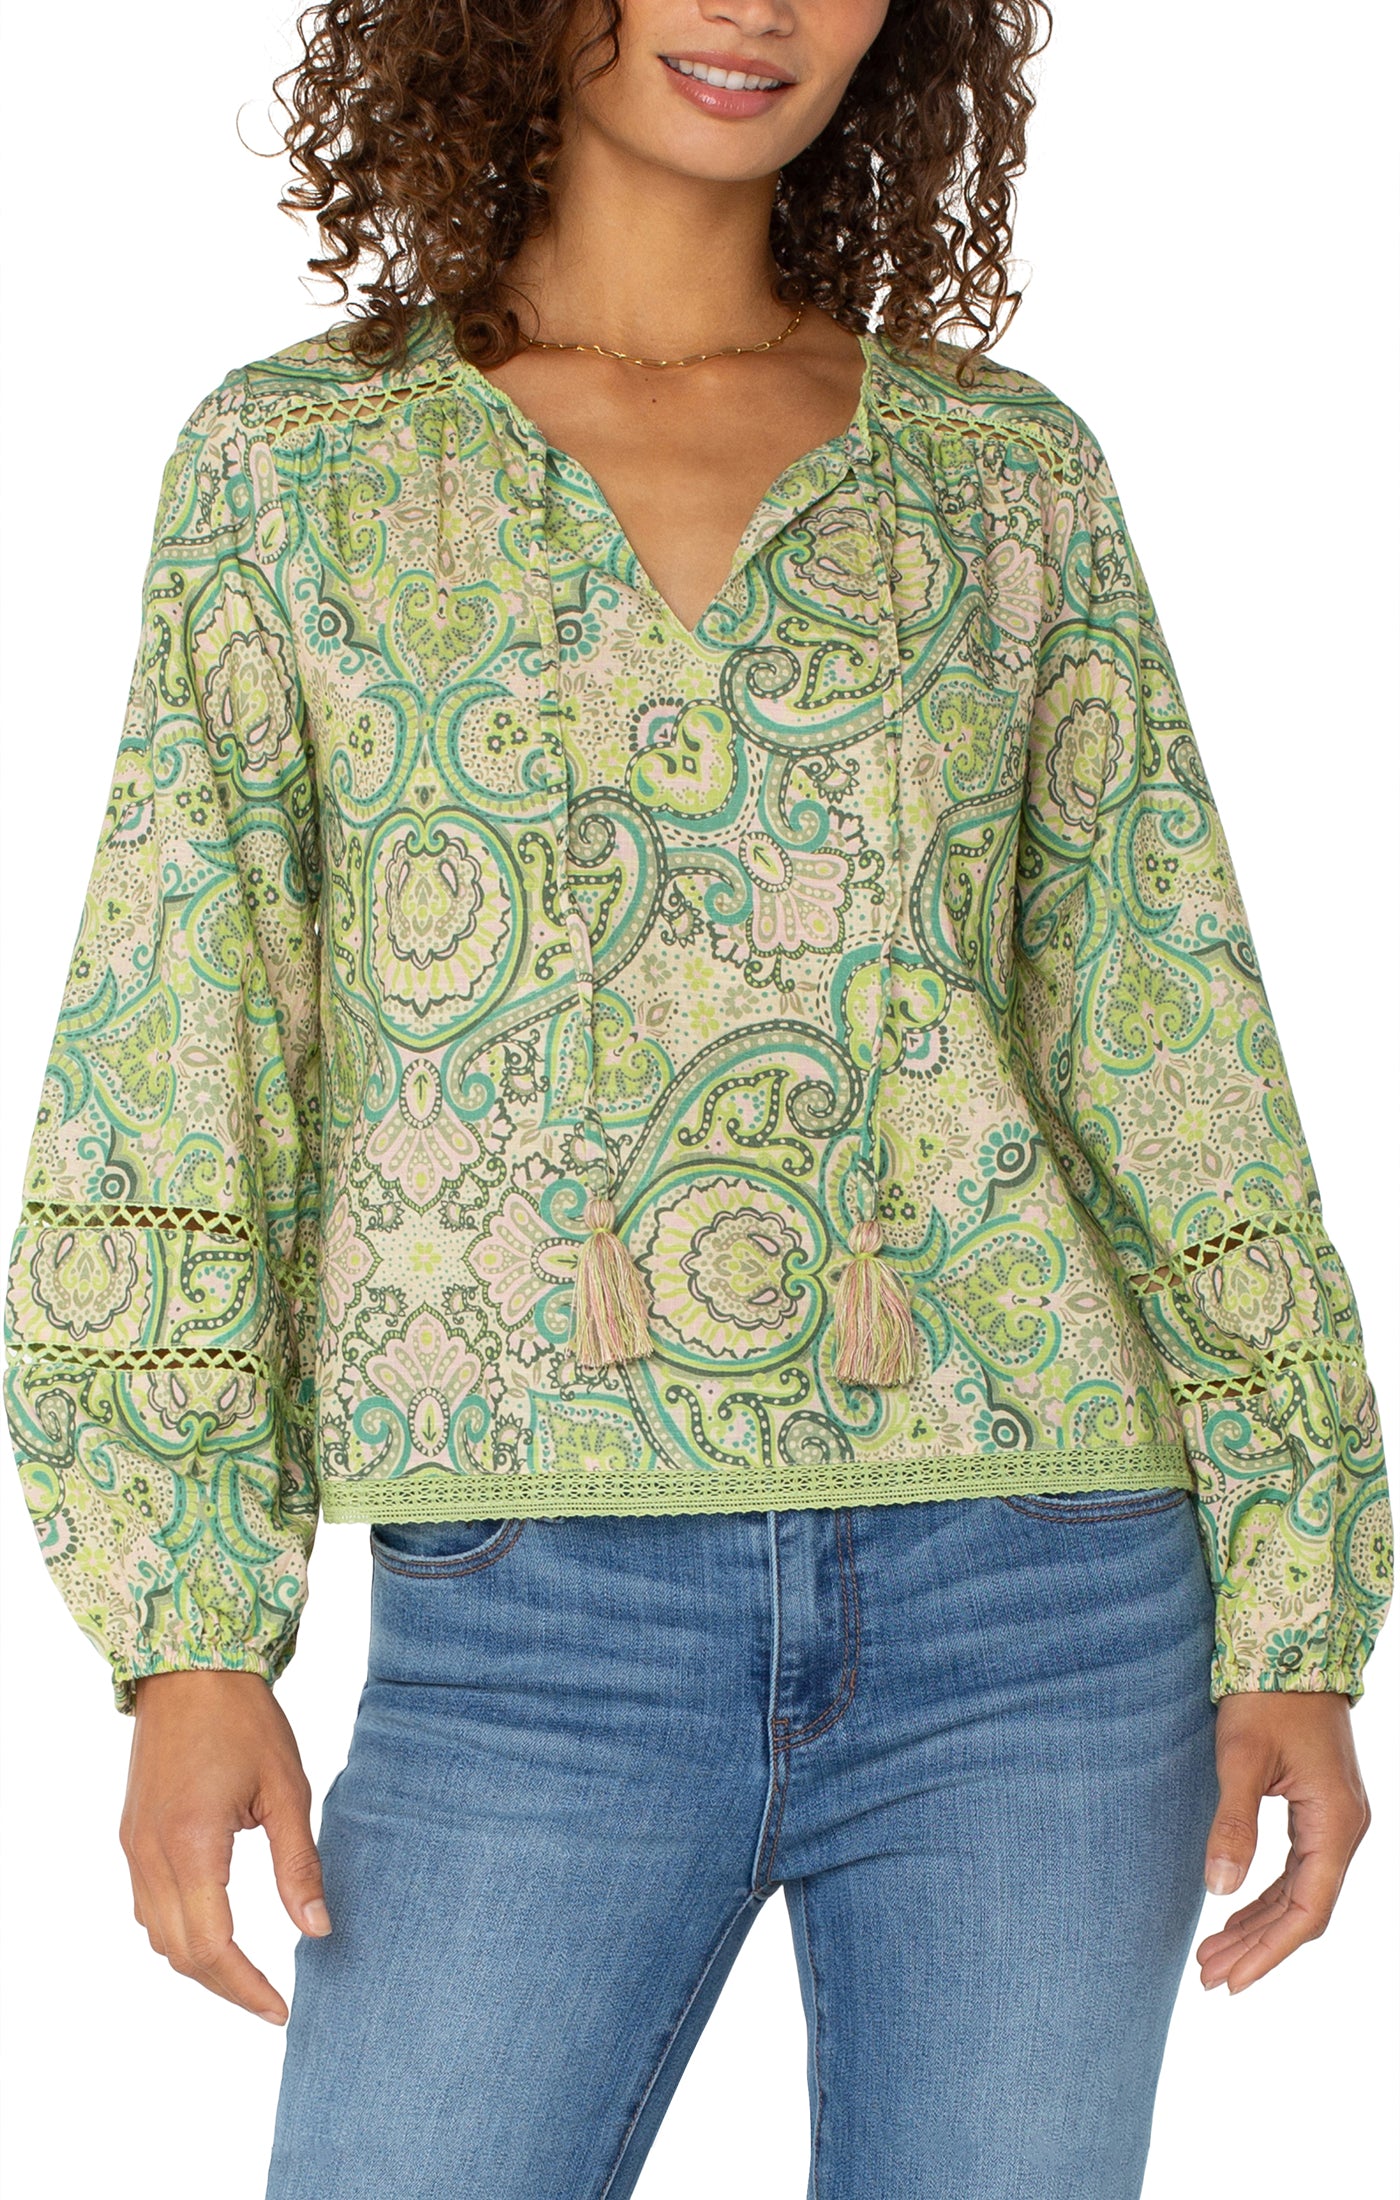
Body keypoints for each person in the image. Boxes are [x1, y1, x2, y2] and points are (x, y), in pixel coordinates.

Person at [3, 1, 1390, 2194]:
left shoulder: (1002, 475)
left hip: (1040, 1598)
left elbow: (1165, 1032)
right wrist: (185, 1632)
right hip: (526, 1618)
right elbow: (177, 1039)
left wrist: (1298, 1606)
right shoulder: (295, 469)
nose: (759, 8)